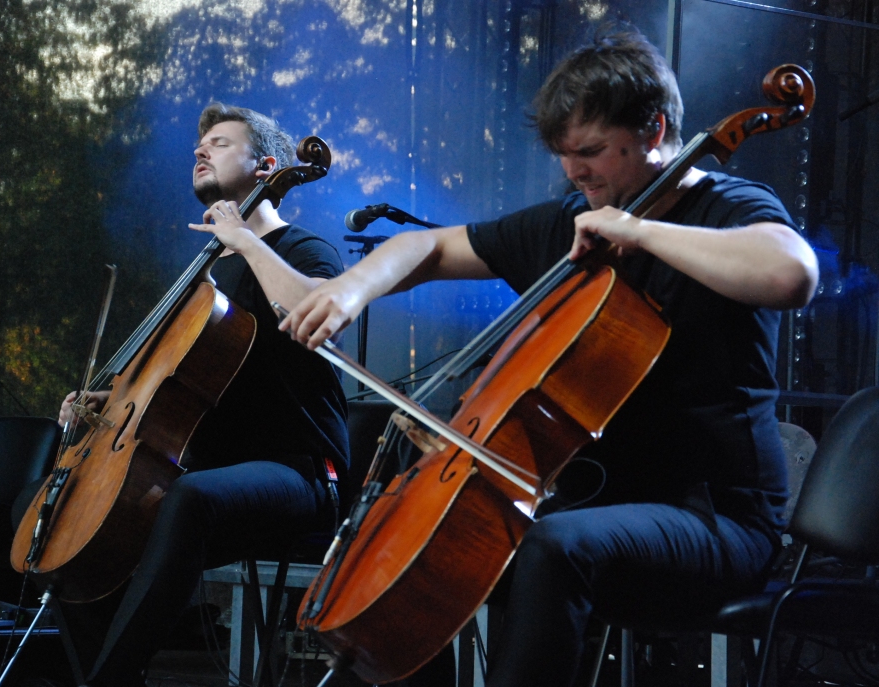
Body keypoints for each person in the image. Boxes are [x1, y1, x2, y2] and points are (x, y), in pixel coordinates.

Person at [282, 31, 818, 687]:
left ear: (652, 128)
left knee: (556, 548)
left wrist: (638, 230)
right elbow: (428, 248)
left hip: (718, 520)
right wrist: (349, 288)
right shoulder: (574, 219)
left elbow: (791, 272)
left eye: (590, 151)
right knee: (430, 560)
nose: (575, 171)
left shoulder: (729, 208)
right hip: (591, 505)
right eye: (566, 155)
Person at [49, 103, 349, 687]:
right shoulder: (204, 280)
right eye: (198, 145)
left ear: (266, 167)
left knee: (188, 500)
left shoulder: (303, 250)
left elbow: (318, 312)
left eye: (218, 142)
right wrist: (101, 404)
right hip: (206, 470)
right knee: (54, 521)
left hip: (297, 470)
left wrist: (244, 240)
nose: (199, 151)